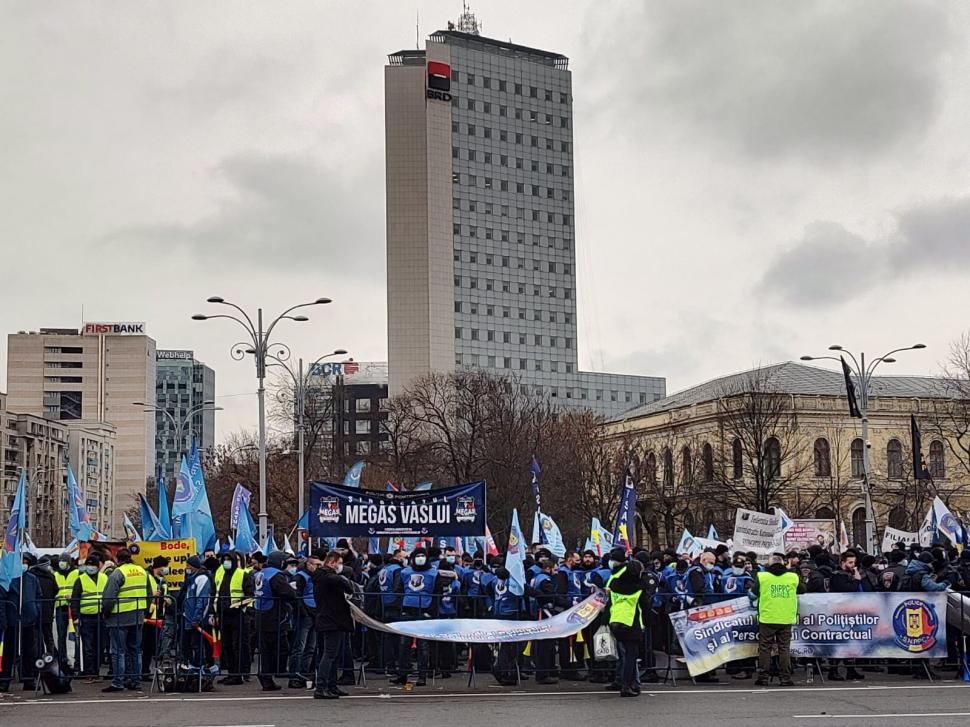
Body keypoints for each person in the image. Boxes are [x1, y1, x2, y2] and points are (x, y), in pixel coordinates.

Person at [100, 548, 152, 692]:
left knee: (118, 651)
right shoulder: (142, 571)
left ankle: (118, 682)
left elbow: (109, 598)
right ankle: (136, 680)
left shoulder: (118, 573)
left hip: (119, 617)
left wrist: (105, 612)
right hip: (138, 615)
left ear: (117, 559)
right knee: (136, 650)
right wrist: (144, 610)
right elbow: (149, 594)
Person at [749, 552, 803, 687]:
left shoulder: (762, 577)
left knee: (765, 649)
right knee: (784, 648)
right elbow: (802, 590)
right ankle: (785, 678)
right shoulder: (792, 576)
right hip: (786, 618)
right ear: (783, 563)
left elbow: (753, 594)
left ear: (770, 563)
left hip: (767, 617)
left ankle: (763, 678)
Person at [311, 551, 355, 699]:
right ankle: (321, 687)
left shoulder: (321, 576)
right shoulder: (327, 576)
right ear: (332, 562)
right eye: (339, 563)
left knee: (333, 655)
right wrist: (345, 581)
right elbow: (344, 584)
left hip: (330, 619)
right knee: (329, 654)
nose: (340, 566)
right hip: (332, 620)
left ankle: (331, 685)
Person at [253, 550, 297, 691]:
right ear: (280, 562)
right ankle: (270, 673)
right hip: (273, 616)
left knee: (266, 649)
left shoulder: (261, 573)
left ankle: (267, 677)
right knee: (280, 648)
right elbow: (288, 594)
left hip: (261, 613)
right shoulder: (276, 575)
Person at [392, 547, 436, 686]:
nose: (421, 558)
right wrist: (402, 609)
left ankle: (422, 675)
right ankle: (402, 674)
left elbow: (438, 593)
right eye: (418, 555)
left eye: (423, 555)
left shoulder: (433, 573)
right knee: (404, 643)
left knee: (423, 645)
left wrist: (431, 611)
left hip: (424, 610)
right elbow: (398, 591)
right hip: (407, 611)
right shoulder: (404, 572)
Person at [606, 558, 649, 697]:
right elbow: (645, 606)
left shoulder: (615, 584)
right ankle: (627, 685)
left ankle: (627, 683)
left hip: (616, 620)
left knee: (622, 655)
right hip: (632, 622)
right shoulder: (639, 587)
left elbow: (610, 604)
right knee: (631, 656)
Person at [828, 550, 870, 681]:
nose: (853, 565)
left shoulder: (850, 574)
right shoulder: (837, 575)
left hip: (851, 611)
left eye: (854, 562)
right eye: (850, 562)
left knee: (850, 642)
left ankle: (850, 669)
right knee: (840, 642)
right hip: (840, 612)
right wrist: (856, 581)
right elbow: (847, 590)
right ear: (843, 562)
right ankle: (833, 669)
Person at [214, 550, 254, 685]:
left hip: (239, 615)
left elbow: (250, 595)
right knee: (227, 646)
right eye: (224, 560)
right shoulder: (220, 574)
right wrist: (214, 613)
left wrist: (237, 606)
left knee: (239, 645)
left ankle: (240, 674)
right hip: (223, 615)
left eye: (229, 560)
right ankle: (231, 672)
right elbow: (216, 594)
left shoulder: (243, 575)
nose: (226, 562)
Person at [70, 553, 107, 683]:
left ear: (98, 566)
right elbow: (75, 599)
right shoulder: (81, 579)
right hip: (86, 617)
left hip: (101, 617)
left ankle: (96, 672)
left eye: (93, 565)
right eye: (89, 565)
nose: (91, 567)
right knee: (88, 647)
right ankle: (89, 673)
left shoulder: (104, 578)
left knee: (100, 646)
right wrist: (76, 617)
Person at [179, 555, 213, 670]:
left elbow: (202, 600)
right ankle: (189, 666)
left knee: (197, 646)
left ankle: (199, 668)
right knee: (186, 645)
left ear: (194, 566)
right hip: (187, 618)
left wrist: (197, 618)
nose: (186, 568)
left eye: (188, 566)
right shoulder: (190, 579)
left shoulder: (202, 579)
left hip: (195, 620)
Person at [53, 553, 80, 673]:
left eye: (63, 561)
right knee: (61, 636)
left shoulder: (77, 573)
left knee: (75, 636)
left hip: (73, 608)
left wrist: (73, 598)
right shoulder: (56, 574)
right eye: (60, 561)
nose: (61, 563)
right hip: (60, 607)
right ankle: (62, 660)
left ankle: (77, 662)